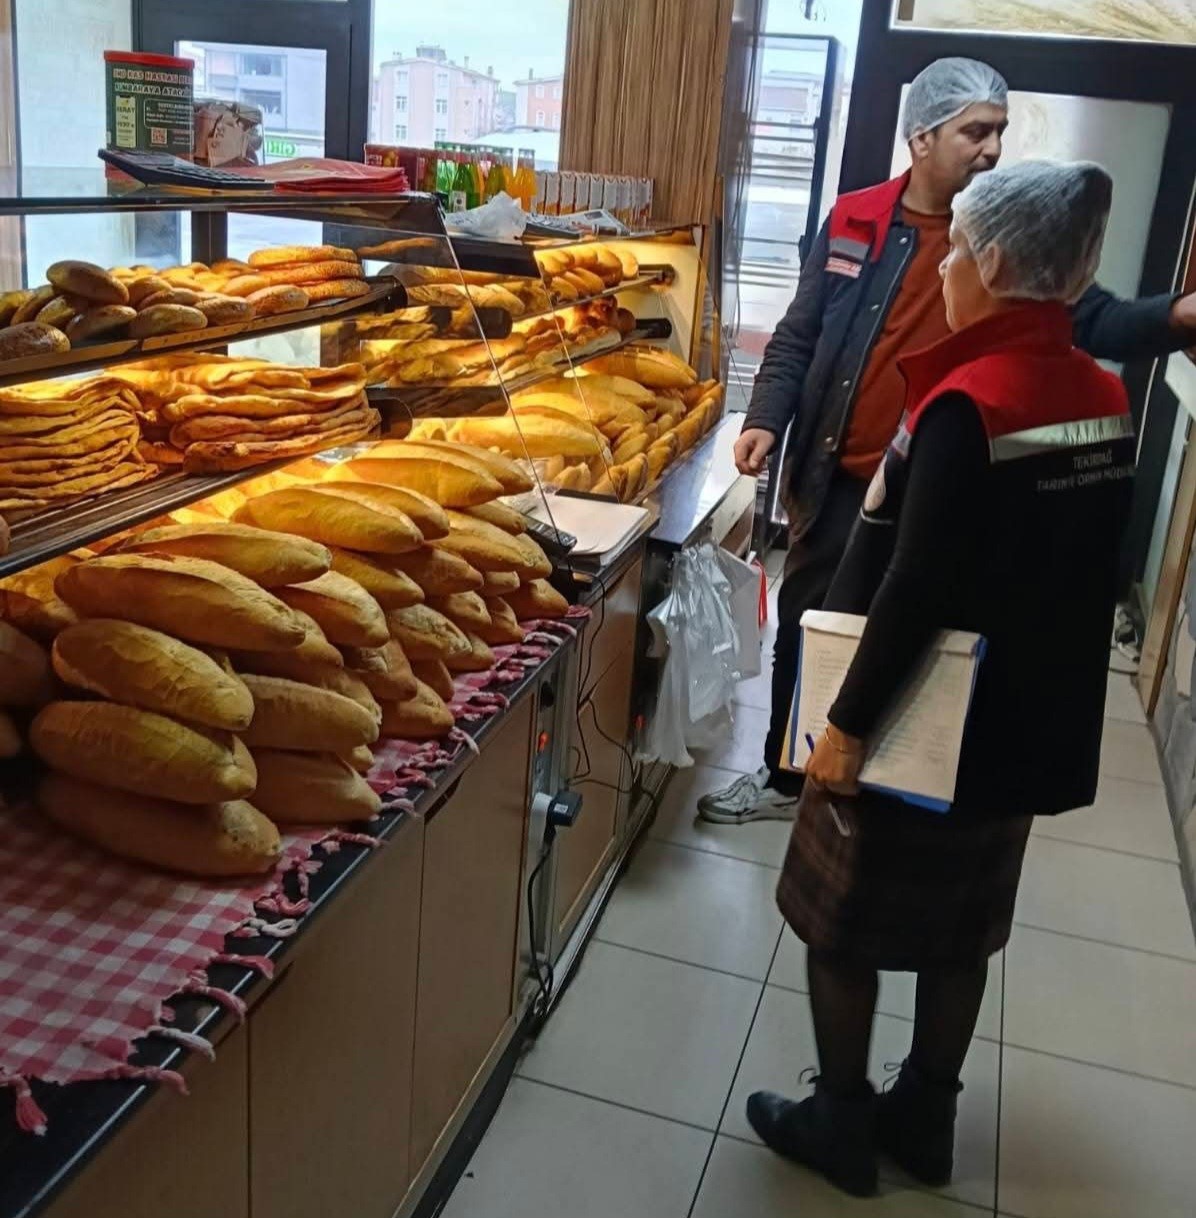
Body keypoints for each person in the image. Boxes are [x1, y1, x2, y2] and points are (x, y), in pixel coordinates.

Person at [744, 159, 1132, 1197]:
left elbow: (914, 585)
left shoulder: (970, 399)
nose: (947, 263)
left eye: (957, 247)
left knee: (841, 922)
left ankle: (837, 1118)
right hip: (1021, 717)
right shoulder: (1099, 394)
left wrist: (844, 725)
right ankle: (923, 1115)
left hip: (923, 714)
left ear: (993, 260)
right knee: (962, 929)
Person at [698, 56, 1196, 825]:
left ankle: (874, 770)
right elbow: (800, 334)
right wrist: (766, 416)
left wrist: (1173, 320)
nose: (993, 147)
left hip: (941, 481)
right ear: (922, 137)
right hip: (838, 473)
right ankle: (787, 773)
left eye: (999, 131)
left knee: (909, 632)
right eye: (975, 131)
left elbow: (1093, 319)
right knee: (810, 621)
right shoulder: (857, 218)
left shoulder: (1010, 231)